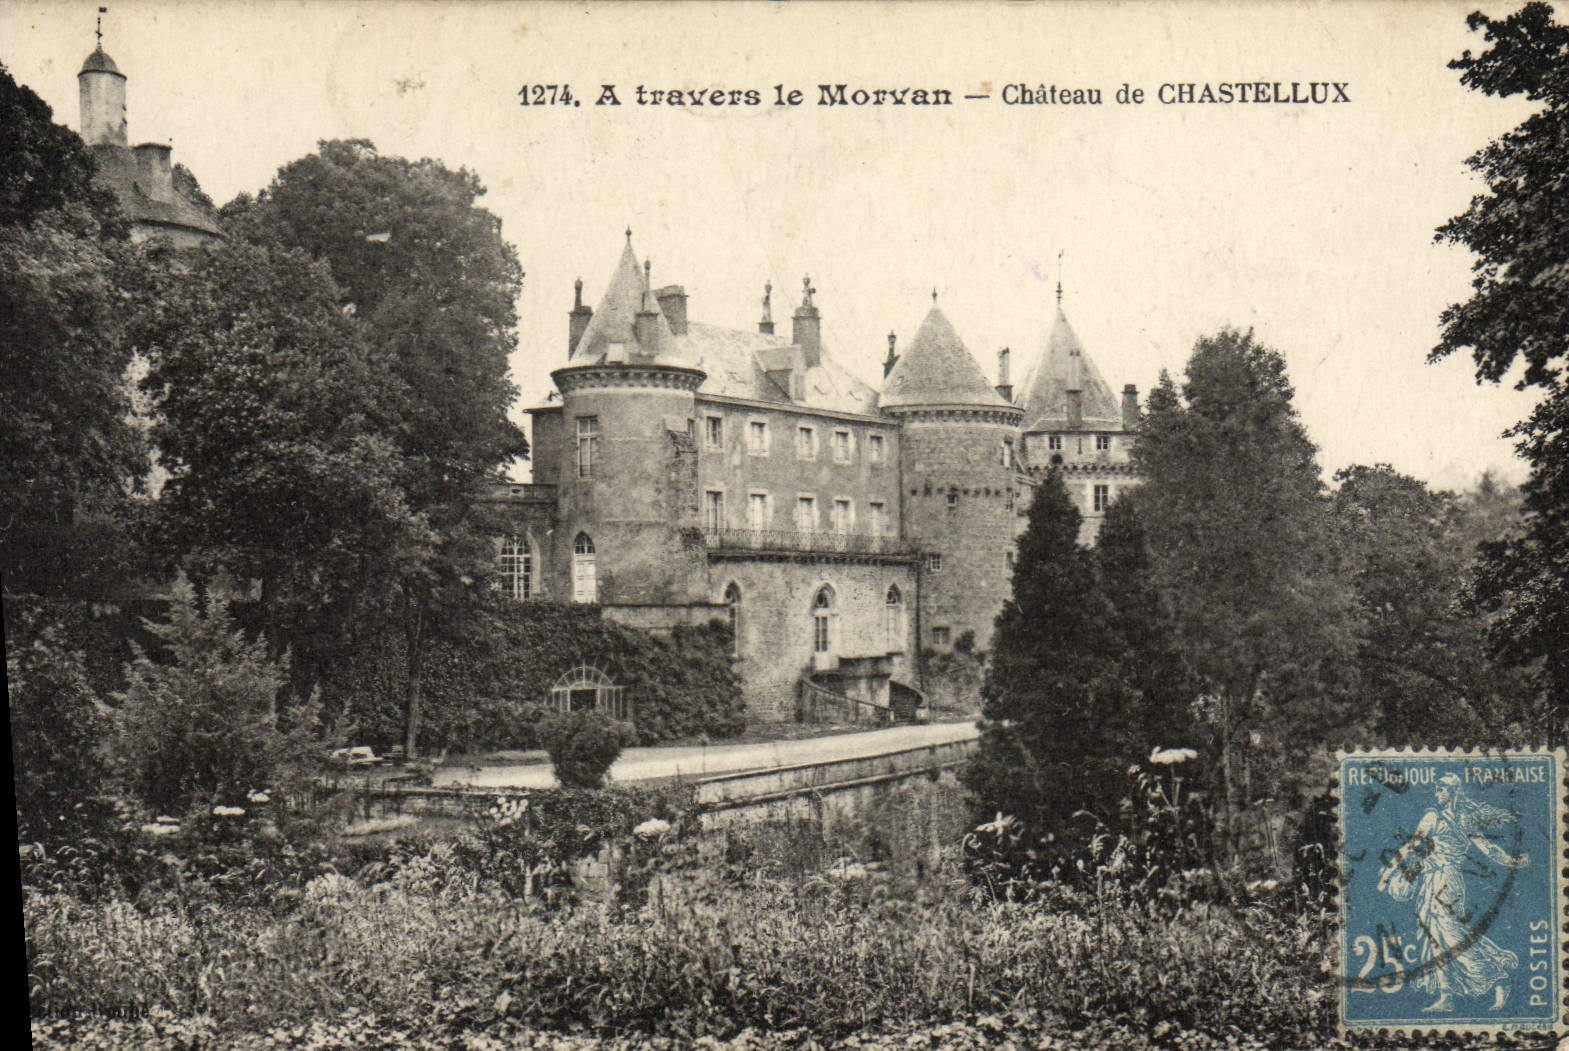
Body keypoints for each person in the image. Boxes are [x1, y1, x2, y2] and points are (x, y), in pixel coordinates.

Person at [1378, 773, 1530, 1012]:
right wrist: (1511, 861)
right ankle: (1446, 995)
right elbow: (1413, 847)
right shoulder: (1448, 817)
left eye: (1440, 790)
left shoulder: (1445, 817)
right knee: (1434, 937)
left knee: (1449, 936)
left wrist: (1387, 874)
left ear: (1450, 792)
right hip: (1435, 880)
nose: (1436, 794)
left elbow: (1486, 848)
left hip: (1445, 881)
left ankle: (1498, 976)